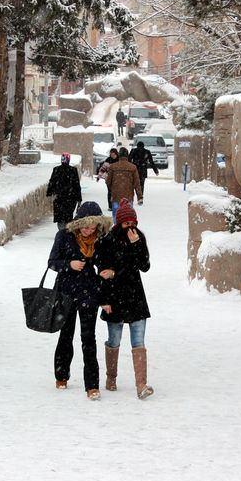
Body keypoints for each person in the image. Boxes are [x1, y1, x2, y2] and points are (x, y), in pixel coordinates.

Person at [47, 202, 113, 400]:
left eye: (93, 228)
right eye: (85, 227)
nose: (88, 231)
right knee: (65, 335)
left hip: (89, 293)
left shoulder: (100, 240)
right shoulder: (64, 236)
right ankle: (61, 375)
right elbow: (52, 262)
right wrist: (69, 264)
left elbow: (104, 265)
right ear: (78, 223)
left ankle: (92, 385)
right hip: (66, 292)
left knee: (88, 338)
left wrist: (107, 273)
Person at [96, 199, 154, 400]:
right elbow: (103, 273)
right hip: (114, 297)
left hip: (135, 296)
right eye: (126, 223)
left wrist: (136, 244)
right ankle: (111, 378)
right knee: (114, 340)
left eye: (133, 223)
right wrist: (104, 300)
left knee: (138, 341)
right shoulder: (107, 241)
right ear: (119, 223)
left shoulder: (139, 237)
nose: (130, 227)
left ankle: (141, 385)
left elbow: (144, 266)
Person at [46, 153, 82, 230]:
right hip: (70, 198)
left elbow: (52, 182)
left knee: (60, 217)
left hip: (59, 198)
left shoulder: (56, 169)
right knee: (68, 217)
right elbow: (76, 185)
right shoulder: (73, 170)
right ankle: (66, 231)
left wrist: (49, 192)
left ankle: (62, 231)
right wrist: (79, 198)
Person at [105, 148, 142, 223]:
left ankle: (117, 229)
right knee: (128, 217)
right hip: (128, 196)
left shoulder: (113, 166)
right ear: (127, 156)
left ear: (119, 155)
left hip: (116, 196)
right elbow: (137, 183)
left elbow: (108, 182)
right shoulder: (132, 167)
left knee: (116, 218)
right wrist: (140, 197)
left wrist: (113, 189)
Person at [129, 141, 160, 205]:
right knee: (141, 185)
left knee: (132, 185)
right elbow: (151, 162)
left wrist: (130, 167)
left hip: (135, 170)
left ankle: (131, 199)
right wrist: (155, 170)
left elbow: (129, 160)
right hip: (143, 170)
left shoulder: (134, 151)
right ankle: (140, 198)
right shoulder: (147, 152)